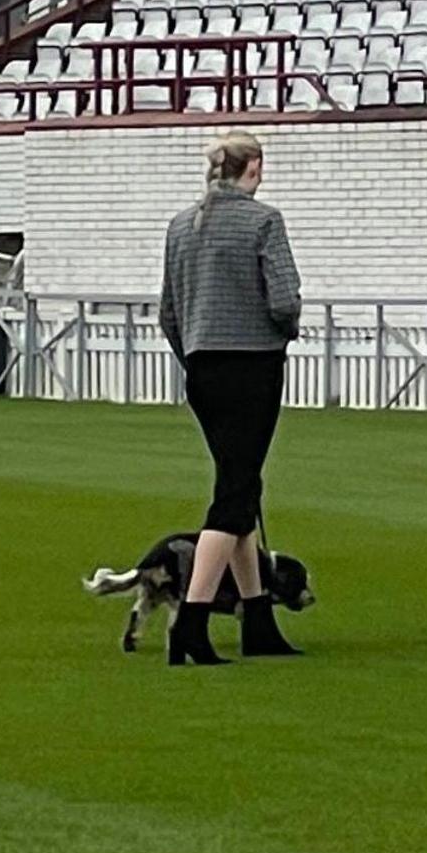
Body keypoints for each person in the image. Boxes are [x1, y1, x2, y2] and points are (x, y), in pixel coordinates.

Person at [158, 131, 304, 667]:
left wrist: (192, 351)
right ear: (255, 167)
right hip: (252, 363)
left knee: (239, 484)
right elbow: (284, 297)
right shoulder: (264, 221)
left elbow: (168, 311)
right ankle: (192, 622)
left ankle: (257, 614)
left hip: (202, 364)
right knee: (235, 494)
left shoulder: (180, 226)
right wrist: (286, 328)